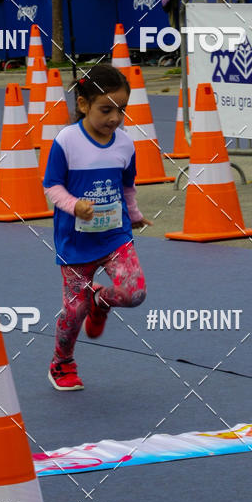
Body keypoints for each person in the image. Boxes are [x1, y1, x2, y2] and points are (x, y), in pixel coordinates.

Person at [43, 64, 150, 391]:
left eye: (122, 110)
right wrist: (74, 205)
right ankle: (62, 363)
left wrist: (133, 214)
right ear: (83, 104)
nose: (115, 118)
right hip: (76, 242)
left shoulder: (125, 144)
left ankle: (101, 301)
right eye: (106, 109)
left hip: (115, 236)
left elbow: (127, 187)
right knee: (74, 311)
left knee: (135, 292)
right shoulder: (67, 141)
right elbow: (51, 186)